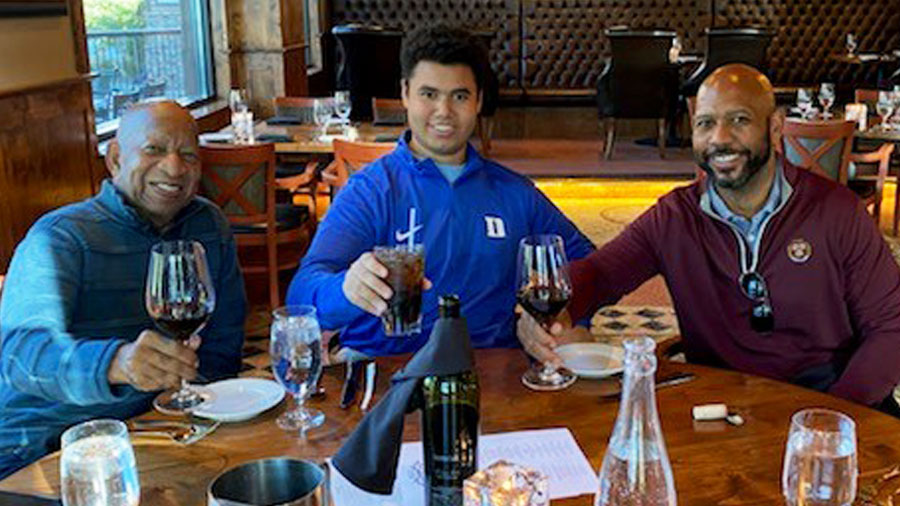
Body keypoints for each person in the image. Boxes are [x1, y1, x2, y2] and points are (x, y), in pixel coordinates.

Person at [519, 64, 900, 412]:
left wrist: (831, 418)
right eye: (705, 124)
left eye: (739, 120)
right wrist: (546, 310)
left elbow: (890, 328)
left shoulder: (836, 210)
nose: (720, 138)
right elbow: (600, 274)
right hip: (722, 405)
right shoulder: (675, 216)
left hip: (830, 395)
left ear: (775, 126)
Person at [287, 24, 594, 356]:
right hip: (384, 368)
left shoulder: (514, 192)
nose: (444, 111)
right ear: (405, 93)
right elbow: (302, 294)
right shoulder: (371, 190)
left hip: (489, 372)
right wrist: (346, 289)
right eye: (429, 94)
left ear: (478, 101)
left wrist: (557, 319)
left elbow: (593, 265)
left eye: (459, 96)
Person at [0, 101, 247, 479]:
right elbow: (19, 355)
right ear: (115, 158)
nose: (174, 168)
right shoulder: (61, 238)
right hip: (42, 448)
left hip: (156, 434)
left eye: (188, 155)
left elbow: (223, 343)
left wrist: (199, 404)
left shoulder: (207, 226)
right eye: (154, 149)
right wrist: (116, 363)